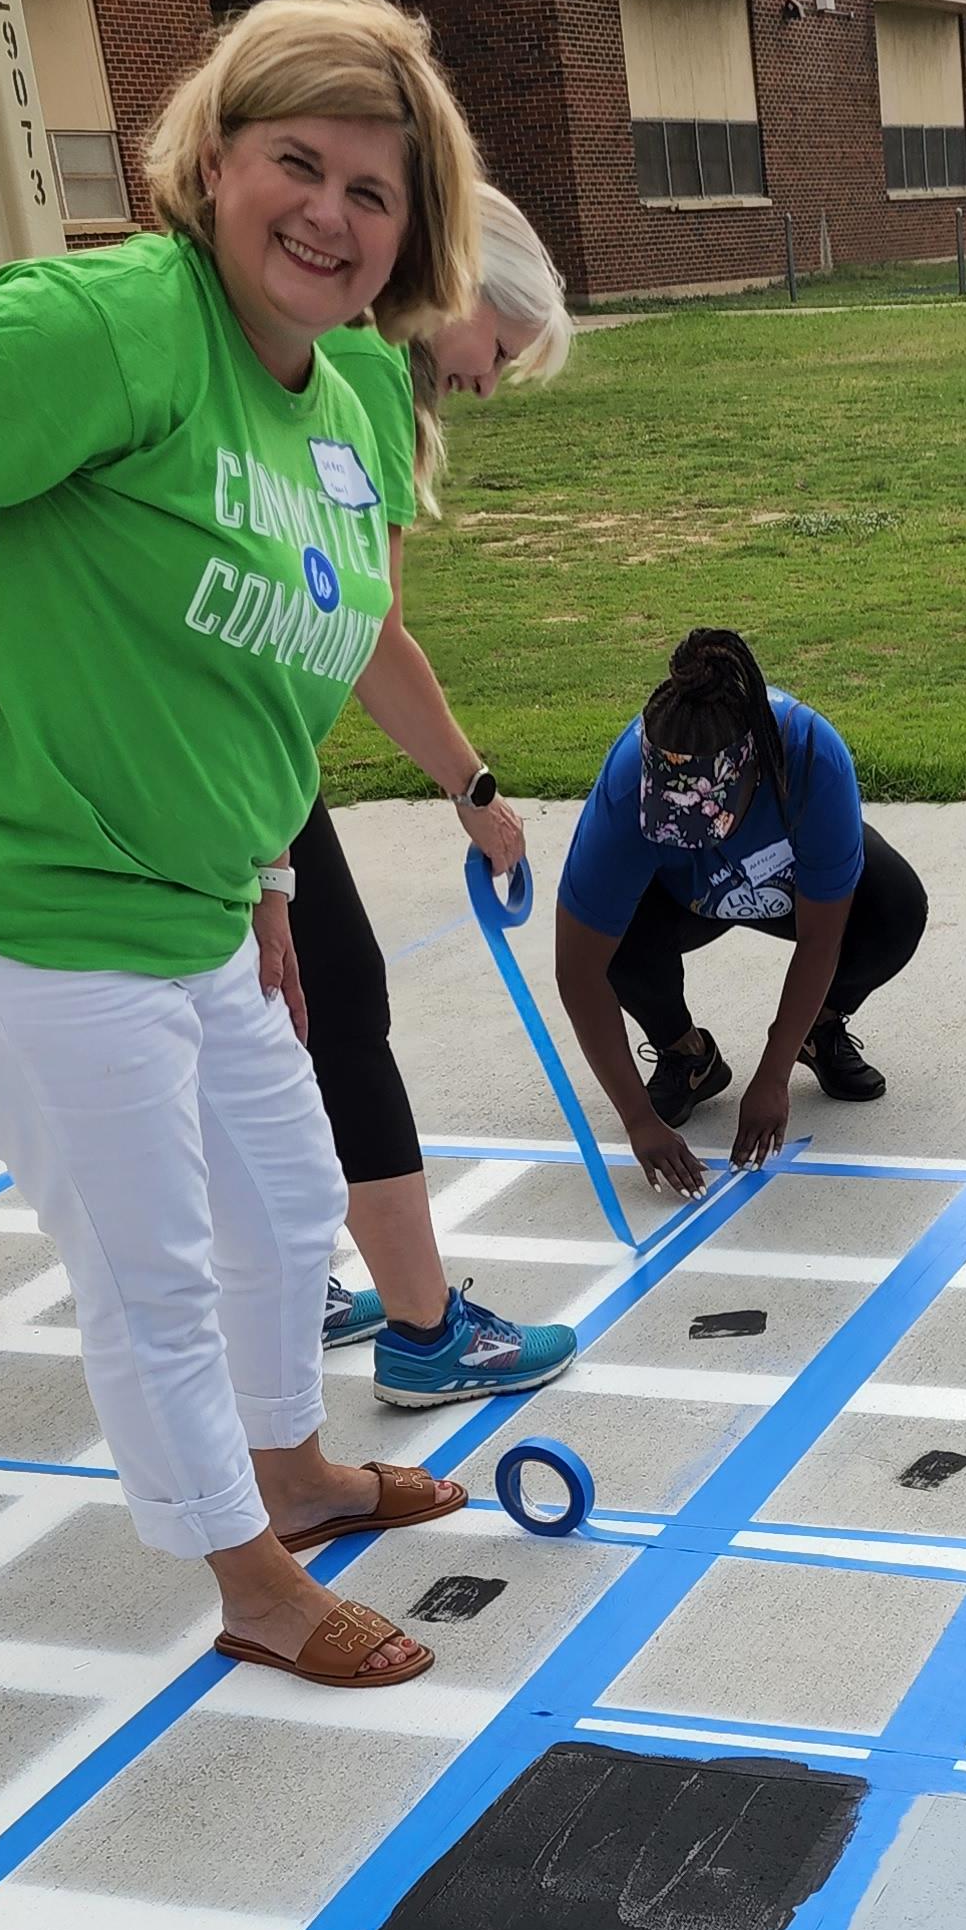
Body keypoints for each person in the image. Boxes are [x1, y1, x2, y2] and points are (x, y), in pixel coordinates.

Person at [0, 0, 492, 1689]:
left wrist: (267, 870)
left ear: (414, 233)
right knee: (148, 1264)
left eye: (373, 192)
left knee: (290, 1198)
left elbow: (290, 650)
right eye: (296, 164)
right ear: (214, 161)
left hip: (191, 898)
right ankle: (249, 1581)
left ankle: (292, 1473)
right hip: (13, 887)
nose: (328, 215)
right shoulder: (114, 322)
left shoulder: (349, 394)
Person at [295, 186, 583, 1405]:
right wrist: (473, 788)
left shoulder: (337, 355)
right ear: (459, 285)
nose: (492, 382)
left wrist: (470, 786)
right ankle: (423, 1332)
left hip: (239, 752)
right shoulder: (363, 371)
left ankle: (288, 1279)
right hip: (222, 760)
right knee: (338, 1011)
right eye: (501, 350)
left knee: (271, 1026)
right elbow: (375, 632)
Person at [552, 628, 927, 1196]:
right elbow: (577, 970)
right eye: (672, 819)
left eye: (706, 818)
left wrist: (774, 1073)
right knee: (609, 941)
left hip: (790, 889)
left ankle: (817, 1028)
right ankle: (686, 1055)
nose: (692, 836)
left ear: (753, 766)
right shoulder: (627, 786)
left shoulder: (813, 760)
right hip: (680, 901)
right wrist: (638, 1120)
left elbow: (821, 939)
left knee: (894, 908)